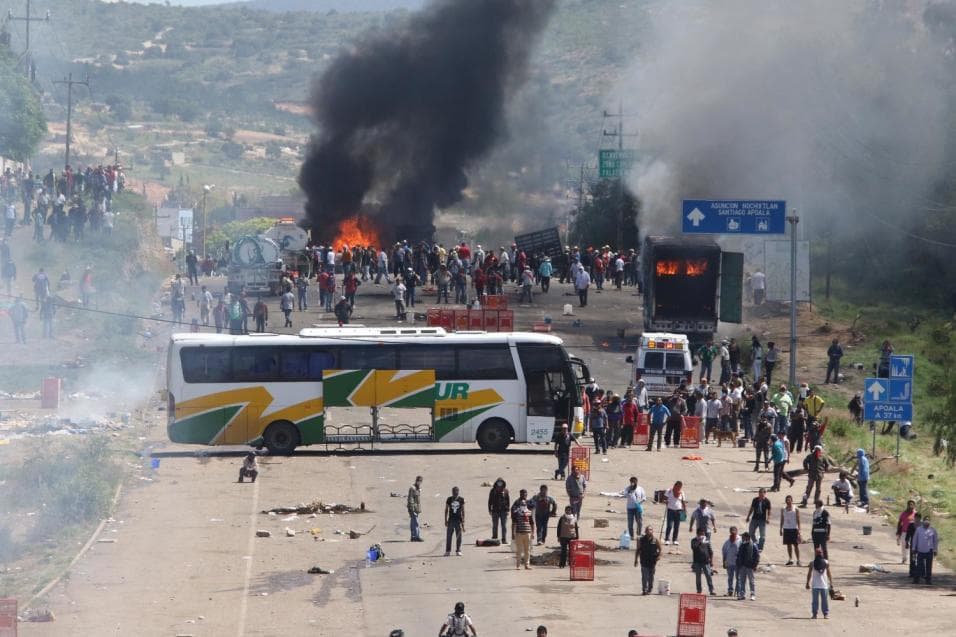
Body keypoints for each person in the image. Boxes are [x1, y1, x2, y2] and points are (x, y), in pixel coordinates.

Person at [634, 524, 662, 595]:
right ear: (645, 531)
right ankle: (644, 589)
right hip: (644, 560)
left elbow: (660, 549)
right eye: (647, 530)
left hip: (652, 561)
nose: (649, 531)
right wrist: (636, 560)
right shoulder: (641, 540)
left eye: (650, 530)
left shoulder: (656, 540)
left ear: (652, 531)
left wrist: (659, 556)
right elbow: (638, 550)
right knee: (644, 576)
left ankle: (650, 589)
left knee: (651, 577)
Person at [806, 547, 833, 619]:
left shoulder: (826, 562)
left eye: (820, 552)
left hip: (824, 585)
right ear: (815, 553)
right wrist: (807, 582)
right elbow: (809, 574)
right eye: (818, 552)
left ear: (822, 553)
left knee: (825, 601)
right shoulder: (812, 563)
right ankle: (814, 614)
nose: (819, 554)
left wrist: (831, 582)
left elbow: (829, 573)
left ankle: (825, 614)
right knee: (815, 601)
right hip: (815, 585)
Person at [912, 516, 938, 585]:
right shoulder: (918, 529)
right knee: (919, 566)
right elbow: (915, 539)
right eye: (925, 520)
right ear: (923, 521)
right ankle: (916, 579)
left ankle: (928, 580)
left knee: (929, 566)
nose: (927, 521)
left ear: (930, 521)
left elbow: (935, 541)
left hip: (929, 550)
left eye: (928, 520)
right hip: (920, 550)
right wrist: (914, 548)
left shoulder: (933, 530)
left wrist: (935, 550)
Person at [691, 526, 716, 595]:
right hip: (697, 561)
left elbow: (710, 551)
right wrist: (699, 541)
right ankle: (699, 590)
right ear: (697, 534)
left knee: (708, 576)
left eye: (703, 533)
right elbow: (693, 547)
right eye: (701, 534)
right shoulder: (694, 540)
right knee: (698, 577)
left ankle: (711, 590)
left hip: (706, 561)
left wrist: (711, 561)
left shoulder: (707, 540)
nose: (702, 535)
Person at [735, 531, 760, 600]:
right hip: (742, 566)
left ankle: (752, 594)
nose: (742, 538)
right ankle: (742, 594)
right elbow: (739, 555)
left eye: (743, 537)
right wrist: (738, 563)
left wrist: (754, 565)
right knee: (742, 581)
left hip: (750, 566)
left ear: (747, 537)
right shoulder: (742, 545)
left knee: (751, 581)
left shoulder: (753, 545)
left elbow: (757, 556)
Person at [511, 500, 535, 570]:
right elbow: (514, 523)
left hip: (527, 533)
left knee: (527, 550)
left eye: (524, 504)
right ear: (519, 505)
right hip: (519, 533)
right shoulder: (516, 513)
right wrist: (513, 533)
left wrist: (533, 533)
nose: (523, 505)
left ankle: (527, 565)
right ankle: (518, 565)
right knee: (519, 550)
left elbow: (532, 523)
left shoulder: (529, 512)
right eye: (522, 504)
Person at [664, 481, 687, 548]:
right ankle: (667, 539)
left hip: (678, 511)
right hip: (670, 510)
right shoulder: (669, 491)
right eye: (678, 486)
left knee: (676, 526)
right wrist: (666, 501)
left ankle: (675, 540)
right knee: (669, 525)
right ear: (675, 485)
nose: (679, 488)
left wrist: (685, 510)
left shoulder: (682, 492)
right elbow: (664, 499)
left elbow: (683, 502)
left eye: (680, 487)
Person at [780, 494, 802, 566]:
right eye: (787, 500)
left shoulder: (796, 509)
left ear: (792, 501)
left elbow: (798, 519)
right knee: (788, 545)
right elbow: (782, 519)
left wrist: (799, 529)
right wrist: (781, 528)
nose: (788, 502)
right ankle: (790, 559)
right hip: (786, 528)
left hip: (794, 528)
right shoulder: (783, 509)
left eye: (789, 500)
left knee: (796, 545)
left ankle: (798, 560)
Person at [488, 478, 510, 544]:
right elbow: (490, 501)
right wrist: (489, 509)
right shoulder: (493, 491)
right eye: (498, 482)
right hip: (495, 511)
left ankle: (504, 539)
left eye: (501, 482)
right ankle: (495, 538)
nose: (500, 484)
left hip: (504, 511)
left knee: (504, 526)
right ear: (496, 483)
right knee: (495, 525)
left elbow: (508, 500)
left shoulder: (505, 491)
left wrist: (508, 510)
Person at [444, 486, 465, 557]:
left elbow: (463, 510)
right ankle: (448, 551)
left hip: (458, 520)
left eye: (456, 492)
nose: (455, 493)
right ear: (452, 492)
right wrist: (445, 520)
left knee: (458, 536)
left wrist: (463, 521)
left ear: (458, 492)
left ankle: (458, 550)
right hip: (451, 520)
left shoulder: (461, 499)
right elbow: (446, 510)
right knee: (449, 536)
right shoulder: (449, 499)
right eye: (453, 492)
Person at [721, 526, 741, 598]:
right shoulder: (727, 542)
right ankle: (730, 591)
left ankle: (739, 592)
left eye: (734, 531)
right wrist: (724, 562)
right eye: (731, 531)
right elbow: (724, 552)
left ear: (737, 531)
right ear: (730, 532)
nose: (733, 533)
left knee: (738, 578)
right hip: (729, 562)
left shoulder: (740, 540)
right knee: (730, 578)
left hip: (738, 563)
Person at [897, 500, 918, 564]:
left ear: (914, 505)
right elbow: (900, 522)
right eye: (909, 504)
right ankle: (904, 558)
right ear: (907, 505)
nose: (910, 506)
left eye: (912, 504)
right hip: (905, 532)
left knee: (913, 546)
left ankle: (913, 559)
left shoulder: (916, 514)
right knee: (904, 546)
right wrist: (898, 532)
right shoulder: (904, 513)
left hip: (913, 533)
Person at [407, 475, 423, 542]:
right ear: (416, 481)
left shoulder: (418, 488)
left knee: (413, 522)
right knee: (416, 522)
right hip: (413, 508)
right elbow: (410, 499)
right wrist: (411, 508)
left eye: (420, 481)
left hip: (416, 508)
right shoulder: (412, 488)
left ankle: (413, 536)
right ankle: (416, 536)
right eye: (419, 481)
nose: (419, 482)